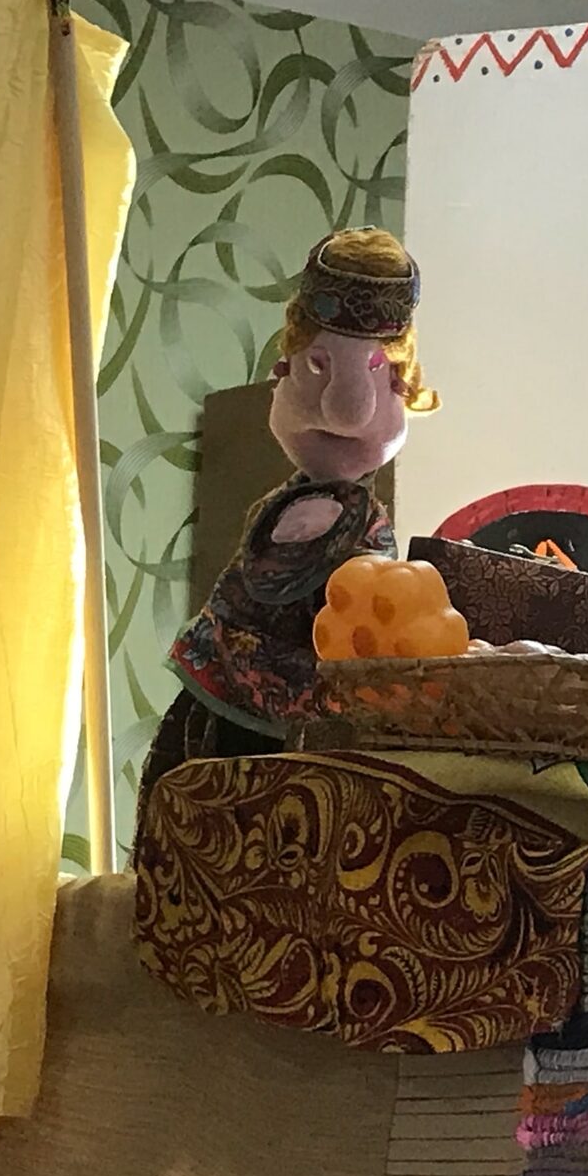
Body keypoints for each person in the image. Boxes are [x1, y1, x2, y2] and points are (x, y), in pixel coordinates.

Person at [136, 227, 437, 819]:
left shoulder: (339, 507)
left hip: (296, 726)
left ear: (400, 385)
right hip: (246, 717)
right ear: (285, 368)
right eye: (317, 366)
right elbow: (274, 580)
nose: (348, 412)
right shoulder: (318, 508)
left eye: (378, 372)